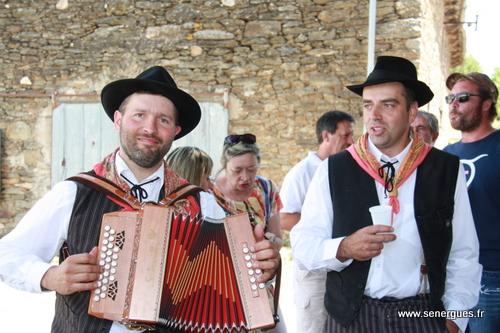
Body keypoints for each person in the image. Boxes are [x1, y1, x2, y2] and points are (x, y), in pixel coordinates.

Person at [0, 66, 280, 333]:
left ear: (175, 131)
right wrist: (50, 277)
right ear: (118, 120)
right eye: (139, 116)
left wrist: (264, 265)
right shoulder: (75, 193)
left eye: (163, 120)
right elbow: (7, 255)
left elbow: (242, 281)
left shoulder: (201, 204)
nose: (150, 128)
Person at [291, 56, 481, 333]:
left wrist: (453, 321)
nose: (374, 116)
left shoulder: (445, 169)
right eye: (368, 105)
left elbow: (463, 254)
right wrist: (343, 248)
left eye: (388, 105)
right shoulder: (335, 169)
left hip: (421, 315)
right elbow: (302, 244)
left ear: (412, 112)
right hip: (351, 318)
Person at [280, 110, 354, 333]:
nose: (351, 141)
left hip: (344, 268)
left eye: (352, 135)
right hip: (314, 272)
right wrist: (322, 223)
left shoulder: (348, 168)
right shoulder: (301, 172)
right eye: (345, 135)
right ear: (326, 136)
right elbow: (284, 217)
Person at [211, 133, 285, 332]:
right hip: (222, 288)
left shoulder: (266, 189)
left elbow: (279, 239)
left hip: (260, 284)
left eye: (251, 169)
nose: (245, 177)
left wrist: (269, 242)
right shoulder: (209, 192)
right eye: (237, 170)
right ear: (224, 165)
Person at [443, 72, 500, 333]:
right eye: (450, 98)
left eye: (463, 97)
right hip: (456, 276)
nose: (454, 104)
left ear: (487, 103)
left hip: (493, 276)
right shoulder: (446, 155)